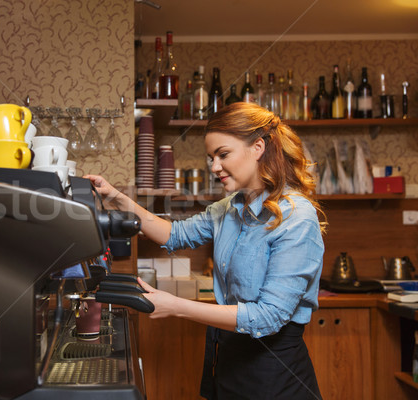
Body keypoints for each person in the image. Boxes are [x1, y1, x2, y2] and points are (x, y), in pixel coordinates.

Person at [84, 102, 326, 400]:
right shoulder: (228, 209)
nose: (214, 167)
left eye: (223, 155)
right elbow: (174, 234)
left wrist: (175, 306)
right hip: (226, 359)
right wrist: (116, 197)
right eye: (211, 158)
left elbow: (268, 317)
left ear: (258, 147)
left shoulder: (296, 218)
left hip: (275, 372)